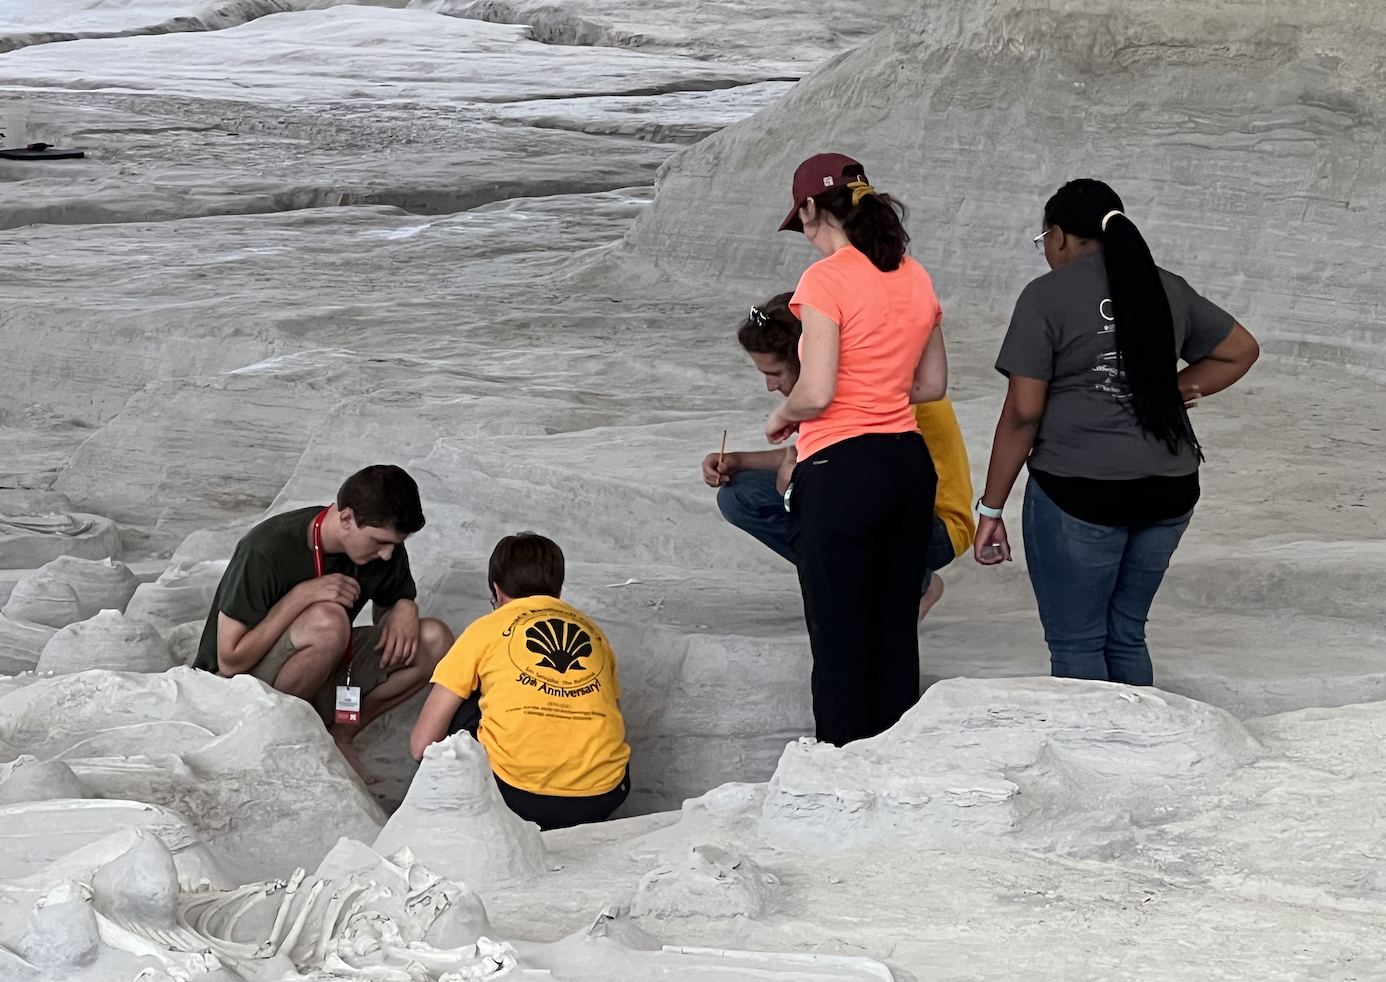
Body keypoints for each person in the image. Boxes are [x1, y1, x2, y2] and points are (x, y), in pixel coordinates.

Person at [973, 178, 1260, 684]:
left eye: (1044, 242)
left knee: (1079, 643)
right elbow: (1241, 350)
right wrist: (1171, 389)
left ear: (1058, 236)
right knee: (1126, 633)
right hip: (1169, 488)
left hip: (1081, 491)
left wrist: (991, 508)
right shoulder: (1165, 286)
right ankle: (1138, 757)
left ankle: (1095, 755)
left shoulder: (1047, 296)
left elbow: (1023, 412)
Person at [763, 152, 948, 747]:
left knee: (839, 636)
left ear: (814, 206)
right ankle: (893, 763)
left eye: (805, 225)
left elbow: (815, 392)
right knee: (894, 632)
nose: (808, 239)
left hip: (842, 467)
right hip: (906, 464)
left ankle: (841, 777)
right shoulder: (914, 273)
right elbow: (931, 385)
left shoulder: (826, 278)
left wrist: (781, 416)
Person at [702, 292, 975, 620]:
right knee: (739, 495)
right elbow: (809, 454)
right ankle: (868, 581)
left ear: (806, 359)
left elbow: (861, 477)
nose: (770, 387)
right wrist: (740, 461)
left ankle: (909, 585)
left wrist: (794, 487)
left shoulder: (872, 388)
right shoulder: (837, 379)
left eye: (774, 373)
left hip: (935, 526)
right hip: (887, 509)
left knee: (817, 496)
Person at [195, 465, 454, 784]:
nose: (387, 555)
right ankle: (280, 738)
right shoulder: (266, 547)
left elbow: (386, 621)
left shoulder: (385, 551)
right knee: (328, 621)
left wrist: (404, 606)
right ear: (346, 518)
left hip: (325, 669)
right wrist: (301, 596)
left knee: (435, 639)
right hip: (237, 689)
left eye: (395, 544)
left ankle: (341, 736)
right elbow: (230, 660)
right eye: (379, 541)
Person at [409, 532, 631, 831]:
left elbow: (421, 746)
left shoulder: (484, 630)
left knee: (467, 702)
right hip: (602, 796)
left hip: (513, 796)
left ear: (496, 590)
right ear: (559, 590)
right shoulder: (594, 633)